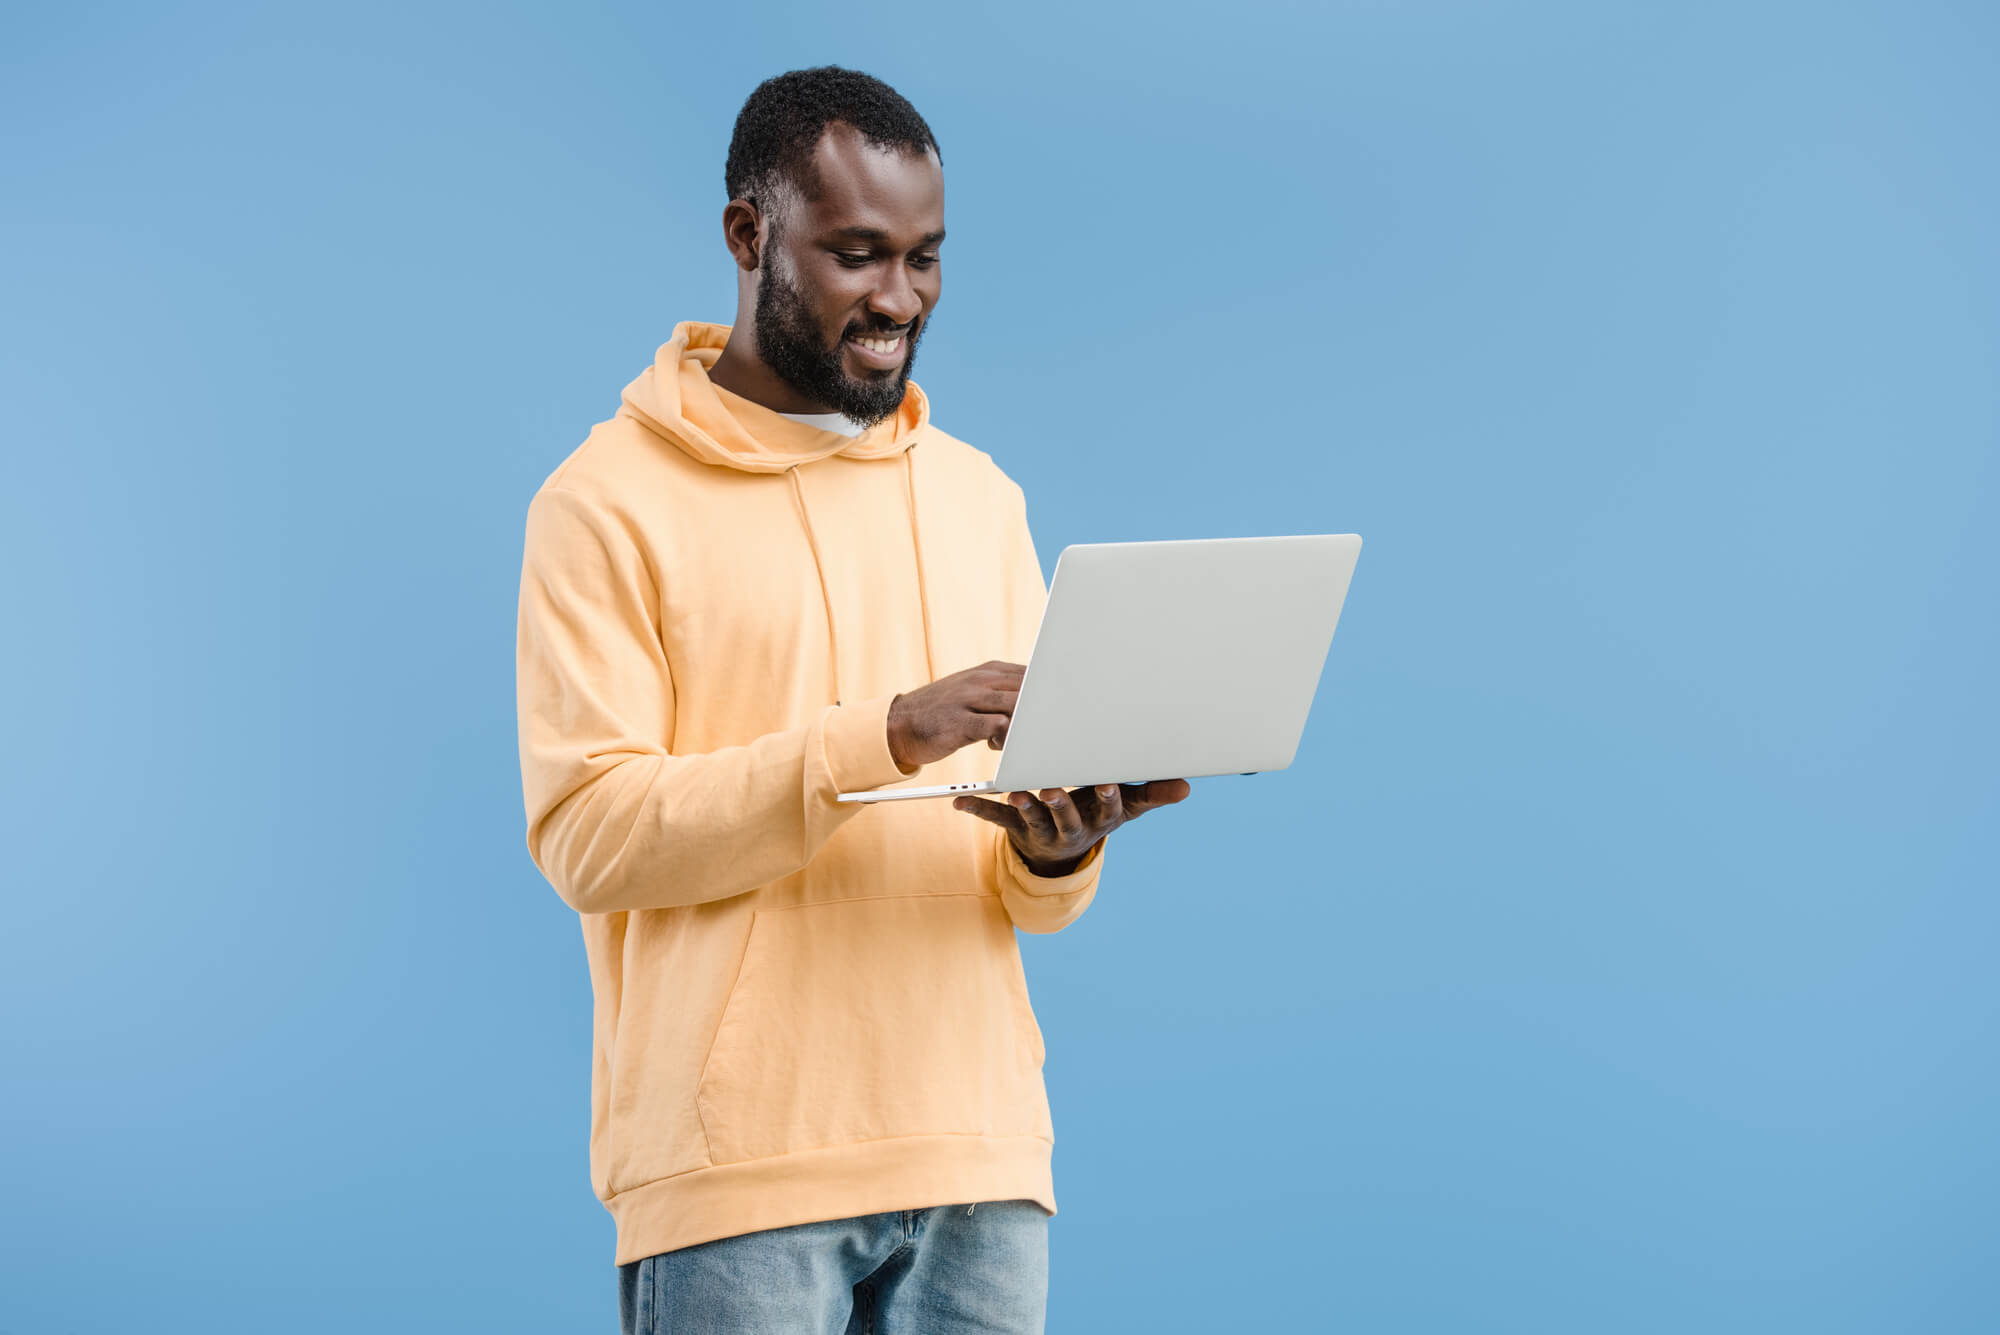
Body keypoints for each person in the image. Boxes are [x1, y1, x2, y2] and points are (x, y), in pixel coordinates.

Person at [515, 66, 1190, 1334]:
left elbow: (1024, 899)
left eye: (925, 259)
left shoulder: (979, 496)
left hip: (983, 1162)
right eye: (858, 255)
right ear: (747, 234)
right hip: (740, 1181)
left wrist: (1058, 848)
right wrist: (879, 737)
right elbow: (587, 836)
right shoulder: (601, 504)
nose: (899, 299)